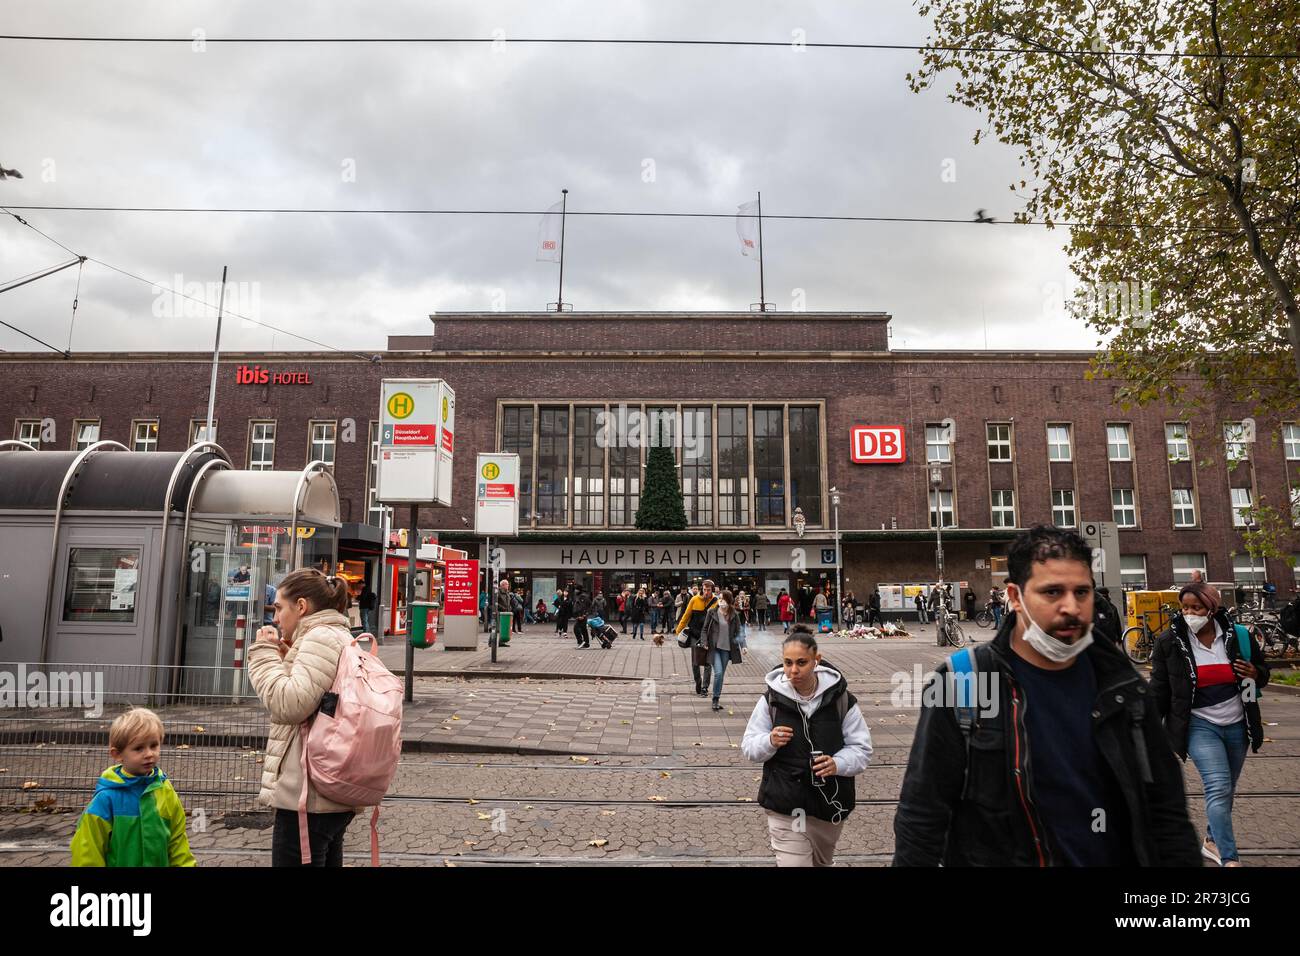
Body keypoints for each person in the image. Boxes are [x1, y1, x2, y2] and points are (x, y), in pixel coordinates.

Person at [893, 524, 1201, 866]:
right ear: (1014, 597)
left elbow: (1166, 813)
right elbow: (923, 814)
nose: (1071, 607)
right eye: (1052, 592)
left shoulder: (1123, 685)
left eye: (1081, 592)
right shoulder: (961, 682)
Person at [1150, 581, 1270, 867]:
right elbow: (1159, 688)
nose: (1189, 613)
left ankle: (1211, 839)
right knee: (1217, 786)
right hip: (1200, 725)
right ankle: (1229, 858)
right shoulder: (1170, 642)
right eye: (1185, 607)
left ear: (1212, 609)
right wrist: (1148, 728)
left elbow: (1261, 675)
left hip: (1238, 724)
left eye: (1197, 607)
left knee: (1226, 789)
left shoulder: (1238, 637)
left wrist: (1254, 673)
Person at [247, 569, 360, 867]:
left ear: (301, 606)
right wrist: (287, 659)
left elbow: (290, 703)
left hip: (308, 795)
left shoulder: (319, 638)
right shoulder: (336, 635)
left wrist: (262, 652)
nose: (275, 618)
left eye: (279, 608)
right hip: (327, 788)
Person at [741, 626, 873, 867]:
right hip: (785, 805)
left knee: (821, 863)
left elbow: (861, 749)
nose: (793, 670)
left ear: (816, 660)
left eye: (801, 662)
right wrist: (769, 741)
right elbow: (749, 746)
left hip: (829, 805)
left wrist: (838, 763)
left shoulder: (842, 700)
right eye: (787, 663)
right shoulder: (771, 700)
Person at [71, 707, 195, 867]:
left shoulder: (164, 789)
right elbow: (88, 850)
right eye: (139, 748)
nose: (149, 753)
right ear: (117, 754)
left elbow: (177, 839)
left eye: (154, 745)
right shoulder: (106, 799)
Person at [676, 579, 719, 697]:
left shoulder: (716, 602)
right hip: (695, 634)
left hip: (709, 636)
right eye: (704, 590)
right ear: (701, 589)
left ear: (713, 590)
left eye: (709, 590)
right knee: (695, 662)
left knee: (707, 662)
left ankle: (705, 687)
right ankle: (698, 682)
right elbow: (686, 615)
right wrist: (678, 631)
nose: (706, 592)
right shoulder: (694, 600)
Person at [702, 589, 744, 711]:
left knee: (721, 676)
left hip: (726, 649)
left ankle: (717, 698)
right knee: (718, 673)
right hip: (714, 648)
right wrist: (704, 642)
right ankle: (715, 699)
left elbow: (739, 631)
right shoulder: (711, 612)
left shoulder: (734, 614)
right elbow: (704, 629)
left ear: (729, 601)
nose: (721, 601)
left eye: (724, 599)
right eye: (719, 598)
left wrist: (744, 646)